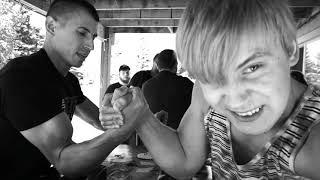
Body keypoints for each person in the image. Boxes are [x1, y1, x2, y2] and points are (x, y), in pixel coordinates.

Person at [100, 0, 320, 179]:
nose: (235, 99)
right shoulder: (203, 93)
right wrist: (140, 115)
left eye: (252, 68)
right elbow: (184, 161)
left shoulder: (312, 135)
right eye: (212, 77)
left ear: (290, 50)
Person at [0, 0, 138, 179]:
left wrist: (123, 111)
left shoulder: (68, 80)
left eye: (93, 37)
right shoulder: (23, 76)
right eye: (82, 33)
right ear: (51, 26)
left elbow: (99, 120)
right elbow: (65, 160)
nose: (91, 45)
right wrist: (123, 130)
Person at [142, 49, 193, 129]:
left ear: (158, 66)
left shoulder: (146, 86)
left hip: (154, 134)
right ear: (175, 65)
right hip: (181, 135)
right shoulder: (186, 84)